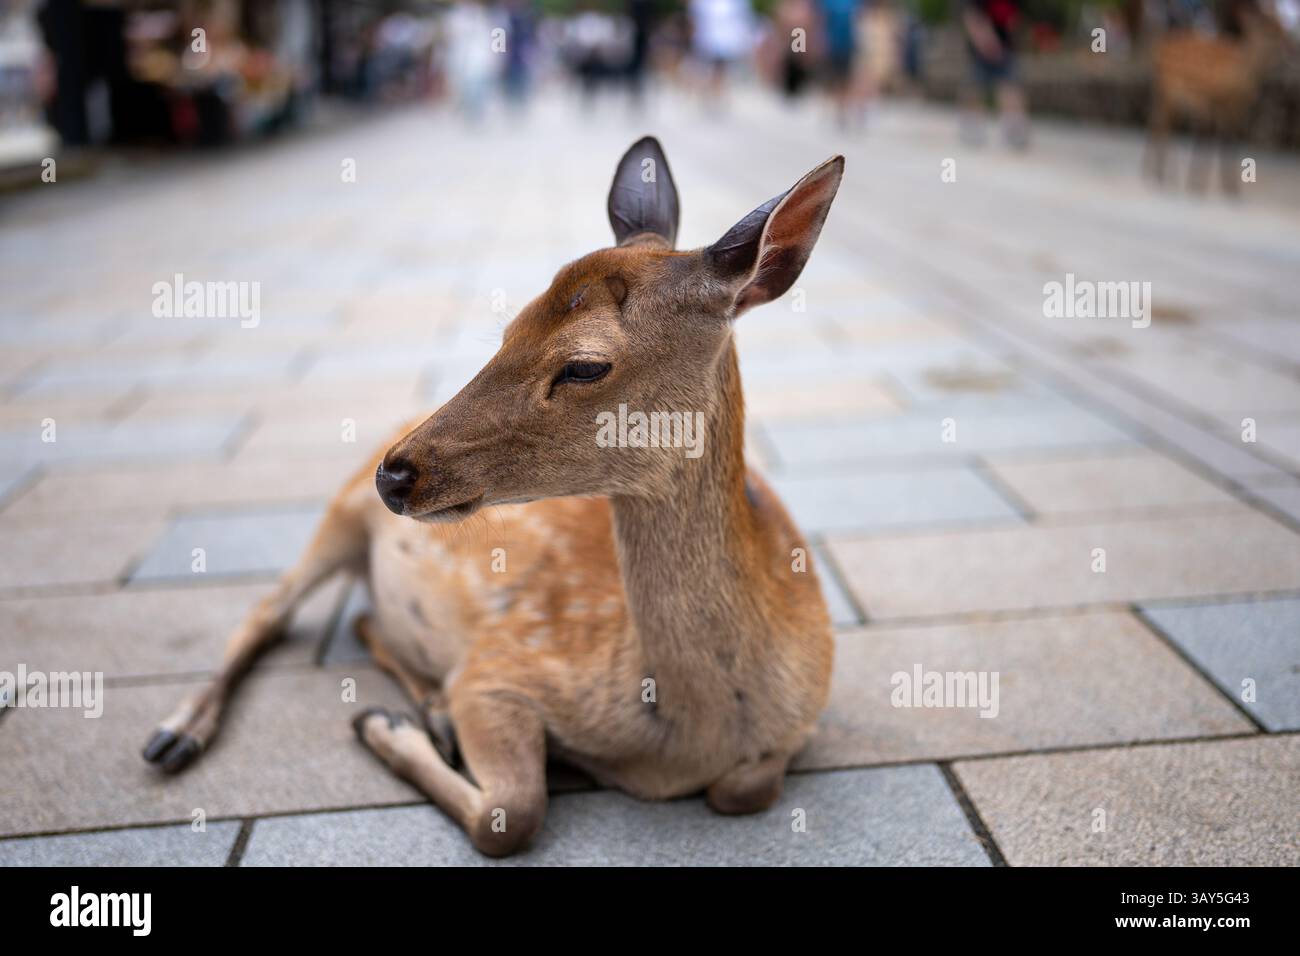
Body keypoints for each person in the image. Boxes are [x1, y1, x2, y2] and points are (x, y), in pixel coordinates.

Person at [960, 0, 1028, 148]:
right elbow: (972, 17)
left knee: (1010, 86)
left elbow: (1014, 19)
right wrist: (986, 42)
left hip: (1005, 46)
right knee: (976, 87)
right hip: (980, 47)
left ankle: (1014, 127)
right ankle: (973, 125)